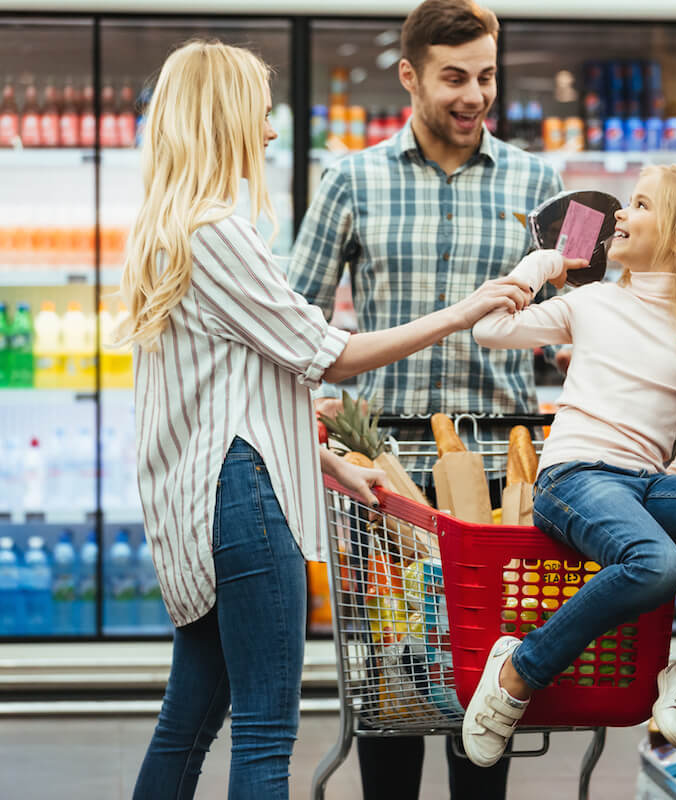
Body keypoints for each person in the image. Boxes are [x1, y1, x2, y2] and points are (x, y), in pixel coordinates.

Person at [120, 40, 533, 800]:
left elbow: (234, 391)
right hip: (243, 504)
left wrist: (329, 460)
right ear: (223, 118)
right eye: (260, 111)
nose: (272, 131)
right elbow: (326, 353)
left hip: (204, 500)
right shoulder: (219, 232)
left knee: (190, 720)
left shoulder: (167, 234)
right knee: (266, 731)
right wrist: (464, 311)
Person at [288, 1, 565, 796]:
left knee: (489, 684)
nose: (473, 96)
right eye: (453, 79)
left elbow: (561, 319)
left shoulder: (536, 182)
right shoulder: (352, 179)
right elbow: (296, 324)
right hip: (384, 474)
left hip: (498, 472)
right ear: (409, 75)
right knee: (391, 689)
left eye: (485, 77)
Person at [466, 165, 676, 766]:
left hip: (646, 486)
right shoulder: (592, 302)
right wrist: (540, 267)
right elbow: (489, 328)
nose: (619, 213)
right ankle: (520, 669)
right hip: (574, 479)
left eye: (639, 204)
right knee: (657, 566)